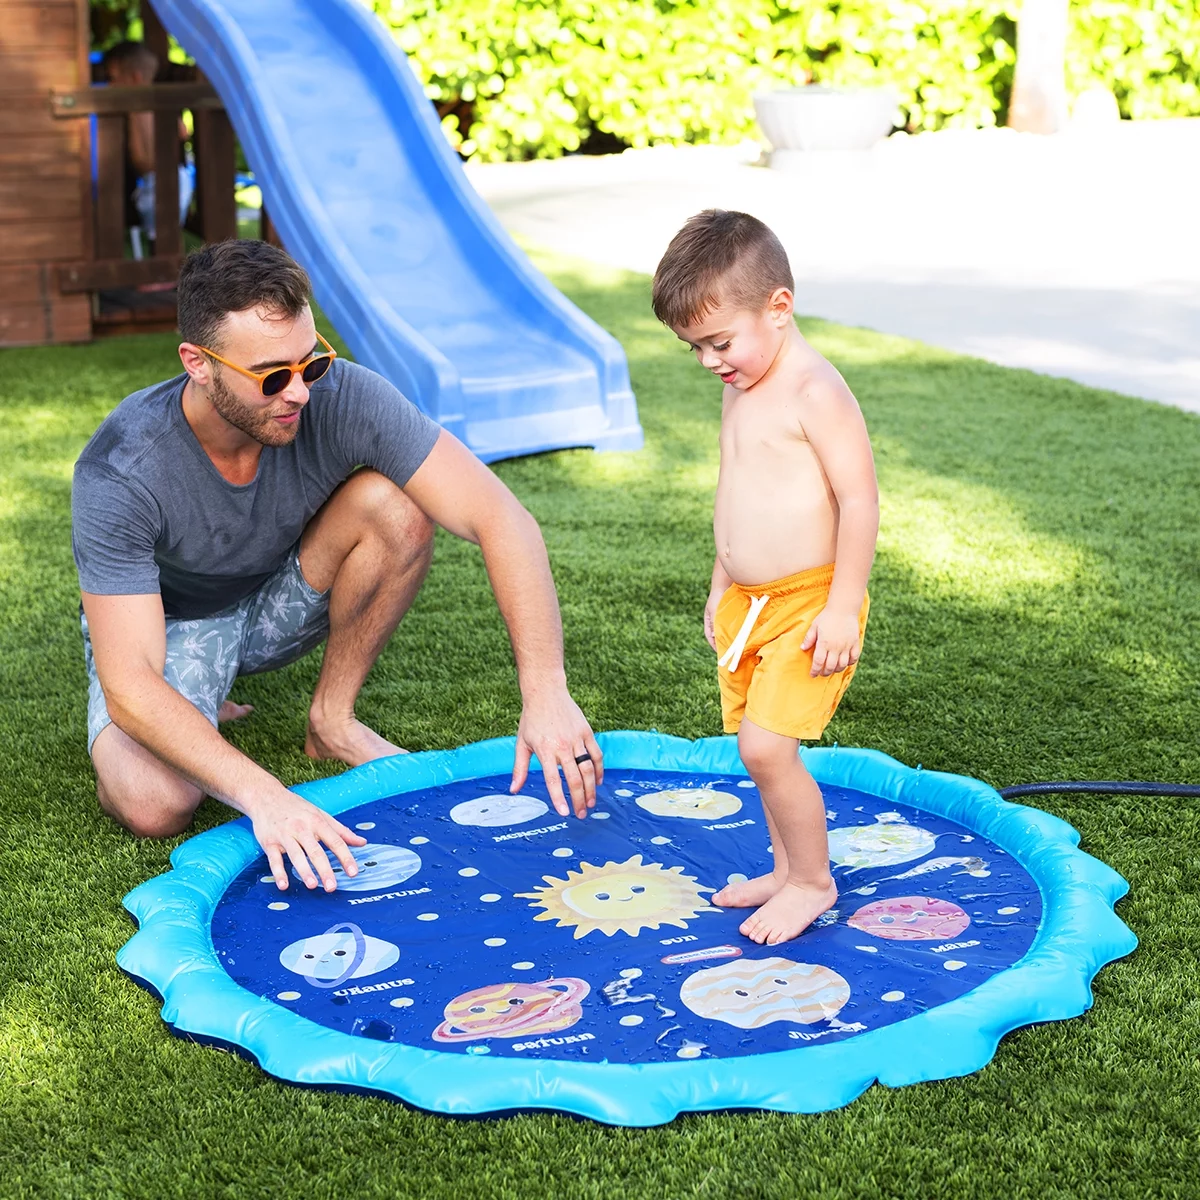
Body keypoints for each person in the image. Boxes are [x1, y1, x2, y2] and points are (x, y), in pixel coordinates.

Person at [73, 239, 602, 893]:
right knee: (155, 803)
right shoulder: (122, 466)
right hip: (176, 622)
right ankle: (195, 703)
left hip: (276, 590)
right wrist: (267, 797)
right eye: (271, 376)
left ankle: (333, 720)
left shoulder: (344, 395)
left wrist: (546, 690)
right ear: (198, 364)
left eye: (311, 363)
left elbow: (502, 518)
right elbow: (131, 682)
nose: (298, 392)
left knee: (396, 506)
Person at [651, 210, 879, 945]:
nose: (710, 360)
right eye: (695, 348)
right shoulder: (741, 383)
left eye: (720, 342)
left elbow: (859, 499)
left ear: (778, 308)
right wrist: (723, 577)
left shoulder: (814, 390)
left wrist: (843, 607)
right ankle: (787, 868)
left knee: (765, 747)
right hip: (751, 602)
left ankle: (813, 881)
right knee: (758, 746)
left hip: (811, 602)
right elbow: (737, 484)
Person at [102, 40, 193, 246]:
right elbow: (183, 132)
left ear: (134, 79)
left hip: (159, 182)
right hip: (174, 178)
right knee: (164, 233)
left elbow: (141, 159)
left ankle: (160, 268)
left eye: (113, 79)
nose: (109, 86)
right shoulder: (161, 104)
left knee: (160, 235)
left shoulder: (136, 110)